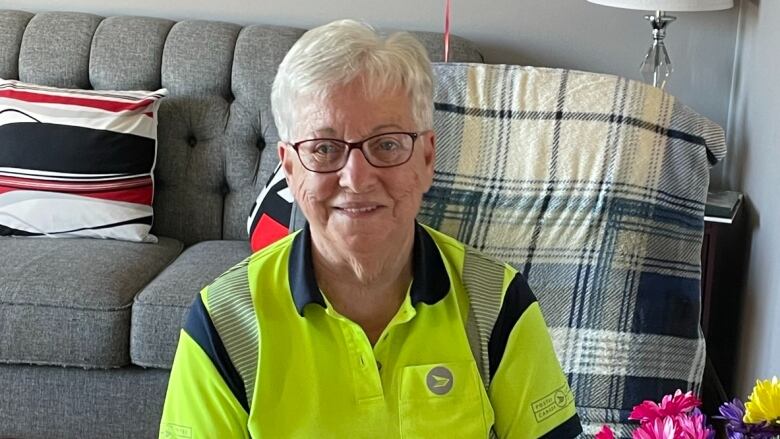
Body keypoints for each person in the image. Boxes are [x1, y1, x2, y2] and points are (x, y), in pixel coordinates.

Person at [159, 19, 581, 439]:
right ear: (289, 168)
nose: (357, 179)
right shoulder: (223, 322)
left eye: (387, 144)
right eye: (324, 148)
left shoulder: (498, 303)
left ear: (428, 157)